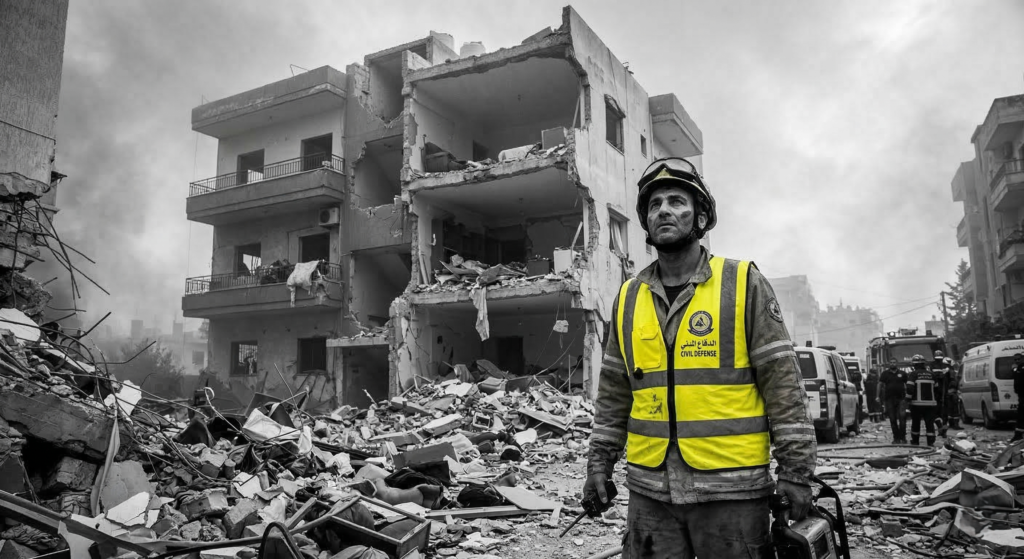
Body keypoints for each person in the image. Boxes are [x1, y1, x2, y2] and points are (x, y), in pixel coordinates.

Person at [586, 157, 816, 558]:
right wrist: (599, 466)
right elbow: (613, 398)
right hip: (650, 493)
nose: (664, 211)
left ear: (701, 216)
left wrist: (795, 474)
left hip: (732, 493)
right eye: (655, 205)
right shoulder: (627, 298)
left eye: (677, 201)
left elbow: (783, 388)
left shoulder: (743, 283)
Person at [907, 354, 941, 446]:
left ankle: (915, 441)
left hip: (916, 404)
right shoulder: (932, 374)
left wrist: (907, 401)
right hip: (931, 404)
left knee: (916, 423)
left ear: (915, 365)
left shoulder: (913, 374)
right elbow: (937, 389)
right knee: (930, 423)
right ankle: (930, 442)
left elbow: (910, 388)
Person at [878, 358, 909, 443]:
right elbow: (880, 384)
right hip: (889, 399)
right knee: (892, 419)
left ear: (897, 363)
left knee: (902, 418)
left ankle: (903, 437)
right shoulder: (885, 374)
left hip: (901, 399)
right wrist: (877, 396)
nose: (892, 364)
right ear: (889, 364)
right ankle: (896, 438)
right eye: (891, 362)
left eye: (894, 362)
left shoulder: (903, 374)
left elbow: (908, 384)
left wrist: (909, 396)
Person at [1012, 353, 1024, 442]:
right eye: (1015, 359)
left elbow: (1019, 377)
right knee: (1020, 415)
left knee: (1021, 415)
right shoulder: (1019, 368)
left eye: (1018, 359)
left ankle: (1018, 435)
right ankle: (1018, 435)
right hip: (1021, 395)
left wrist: (1015, 370)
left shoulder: (1021, 368)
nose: (1017, 361)